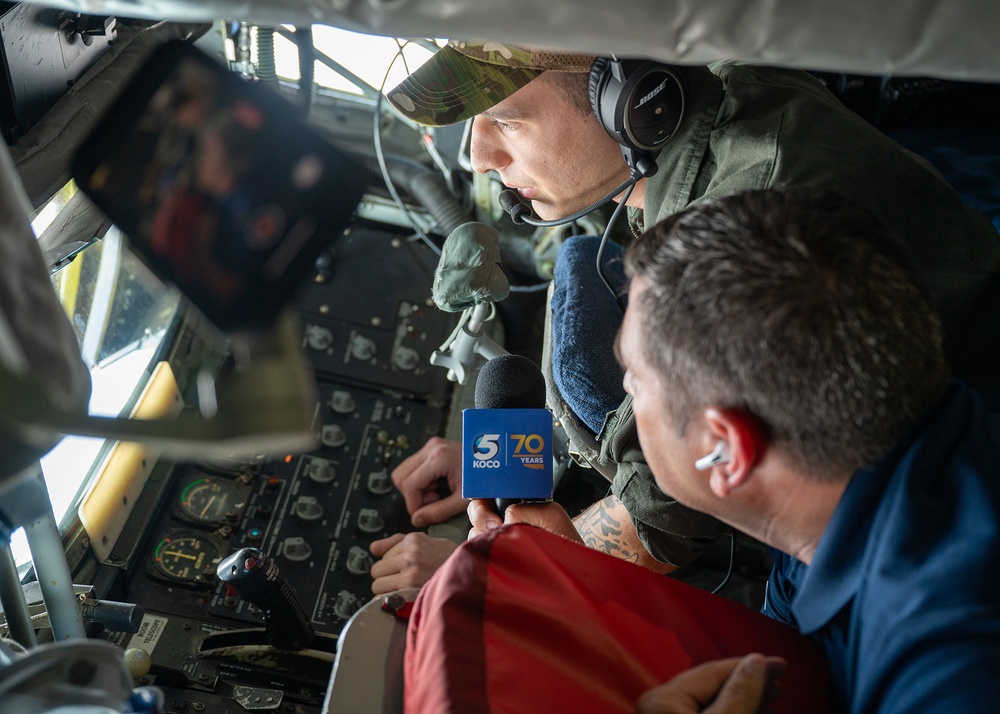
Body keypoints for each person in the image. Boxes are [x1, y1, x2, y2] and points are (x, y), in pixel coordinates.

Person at [373, 40, 1000, 583]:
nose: (478, 156)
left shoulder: (754, 222)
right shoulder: (699, 111)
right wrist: (518, 459)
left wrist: (503, 570)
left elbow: (665, 511)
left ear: (625, 97)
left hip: (939, 509)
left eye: (505, 121)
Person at [468, 187, 1000, 712]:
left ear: (726, 451)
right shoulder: (852, 487)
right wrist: (578, 582)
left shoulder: (951, 668)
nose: (626, 390)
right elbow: (781, 668)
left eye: (635, 380)